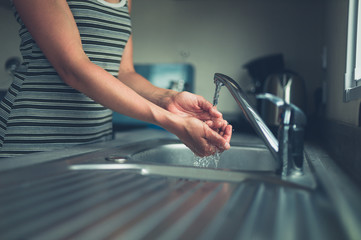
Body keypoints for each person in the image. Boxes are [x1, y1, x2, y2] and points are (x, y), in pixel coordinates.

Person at [0, 0, 232, 158]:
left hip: (95, 139)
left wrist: (169, 99)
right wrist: (172, 122)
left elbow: (123, 73)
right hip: (33, 137)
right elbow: (72, 68)